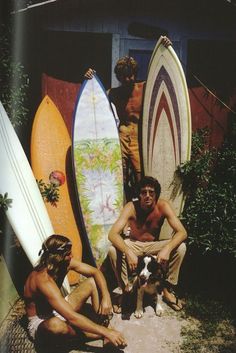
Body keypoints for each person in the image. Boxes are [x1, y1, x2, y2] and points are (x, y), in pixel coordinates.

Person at [85, 35, 172, 200]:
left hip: (140, 138)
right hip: (121, 137)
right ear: (118, 77)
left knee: (141, 176)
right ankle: (125, 204)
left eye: (130, 75)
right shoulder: (113, 94)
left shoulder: (145, 87)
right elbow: (94, 100)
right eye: (123, 76)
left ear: (135, 73)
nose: (127, 79)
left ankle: (141, 206)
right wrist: (89, 79)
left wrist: (166, 49)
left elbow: (166, 80)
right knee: (120, 175)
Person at [24, 234, 127, 348]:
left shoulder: (64, 263)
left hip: (57, 308)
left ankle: (103, 323)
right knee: (57, 325)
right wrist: (106, 332)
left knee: (92, 282)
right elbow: (71, 317)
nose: (72, 255)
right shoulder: (42, 280)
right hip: (41, 323)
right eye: (68, 254)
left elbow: (95, 272)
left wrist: (106, 296)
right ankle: (98, 333)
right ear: (58, 257)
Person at [107, 176, 187, 312]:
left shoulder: (163, 206)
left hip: (153, 245)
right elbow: (112, 234)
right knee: (112, 250)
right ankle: (126, 291)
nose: (147, 196)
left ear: (156, 194)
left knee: (181, 247)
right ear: (139, 194)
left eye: (151, 192)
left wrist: (167, 248)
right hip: (134, 244)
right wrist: (128, 251)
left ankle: (166, 290)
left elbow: (182, 232)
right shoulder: (131, 207)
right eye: (143, 192)